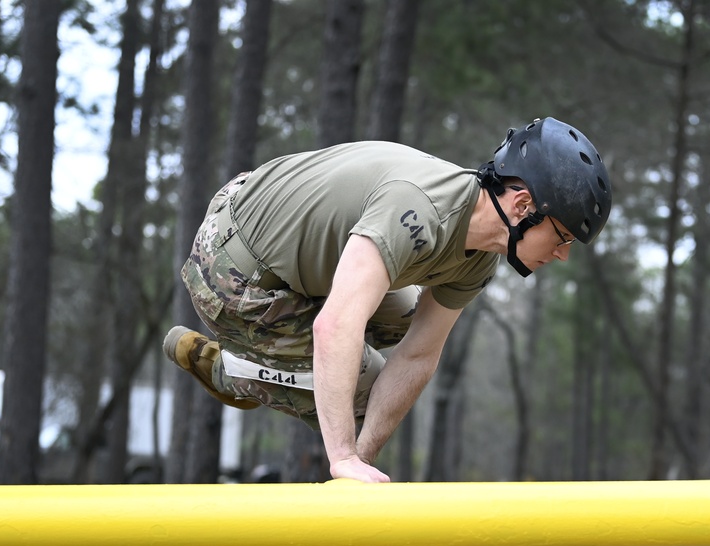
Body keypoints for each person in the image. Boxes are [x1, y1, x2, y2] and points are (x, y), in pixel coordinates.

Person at [164, 116, 612, 482]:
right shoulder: (418, 212)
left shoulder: (478, 257)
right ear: (522, 206)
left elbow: (419, 354)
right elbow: (336, 326)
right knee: (359, 391)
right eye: (563, 236)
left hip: (277, 239)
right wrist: (342, 459)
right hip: (231, 263)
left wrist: (363, 455)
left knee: (403, 327)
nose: (564, 255)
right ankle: (236, 371)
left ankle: (278, 361)